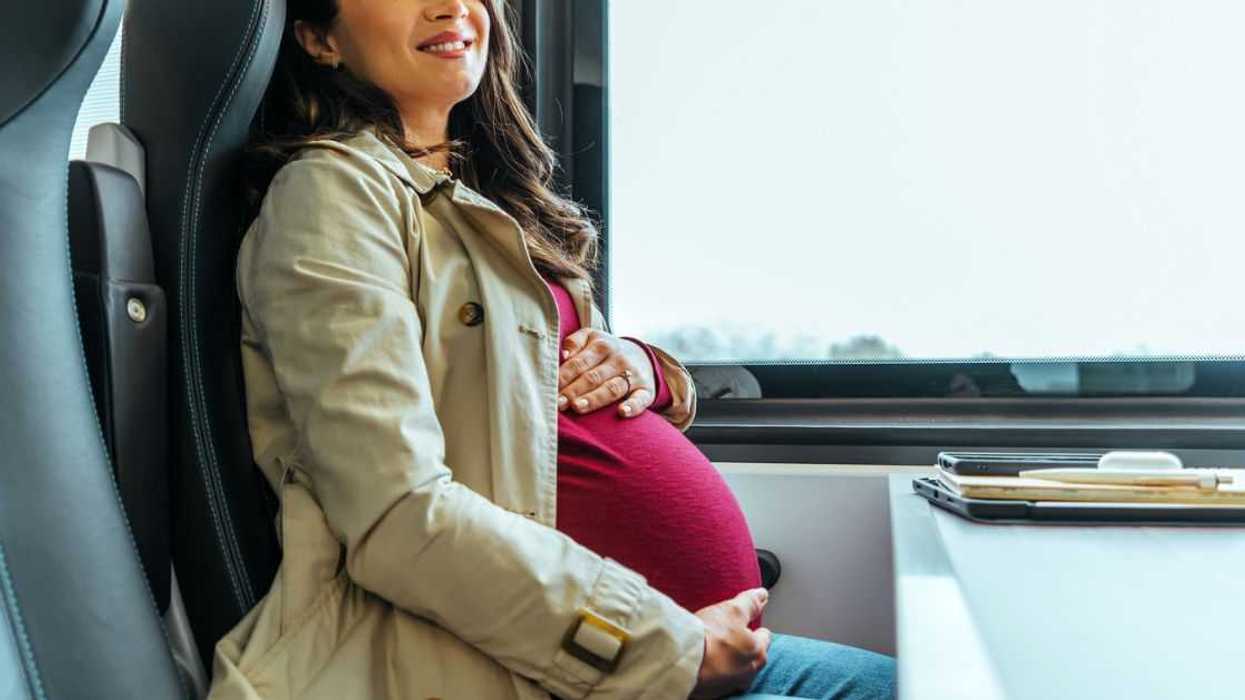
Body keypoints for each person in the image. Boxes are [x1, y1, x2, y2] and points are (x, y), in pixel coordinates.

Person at [210, 1, 896, 698]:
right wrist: (668, 649)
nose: (450, 4)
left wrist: (647, 370)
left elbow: (550, 410)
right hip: (523, 665)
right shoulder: (332, 193)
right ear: (319, 39)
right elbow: (394, 514)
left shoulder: (492, 207)